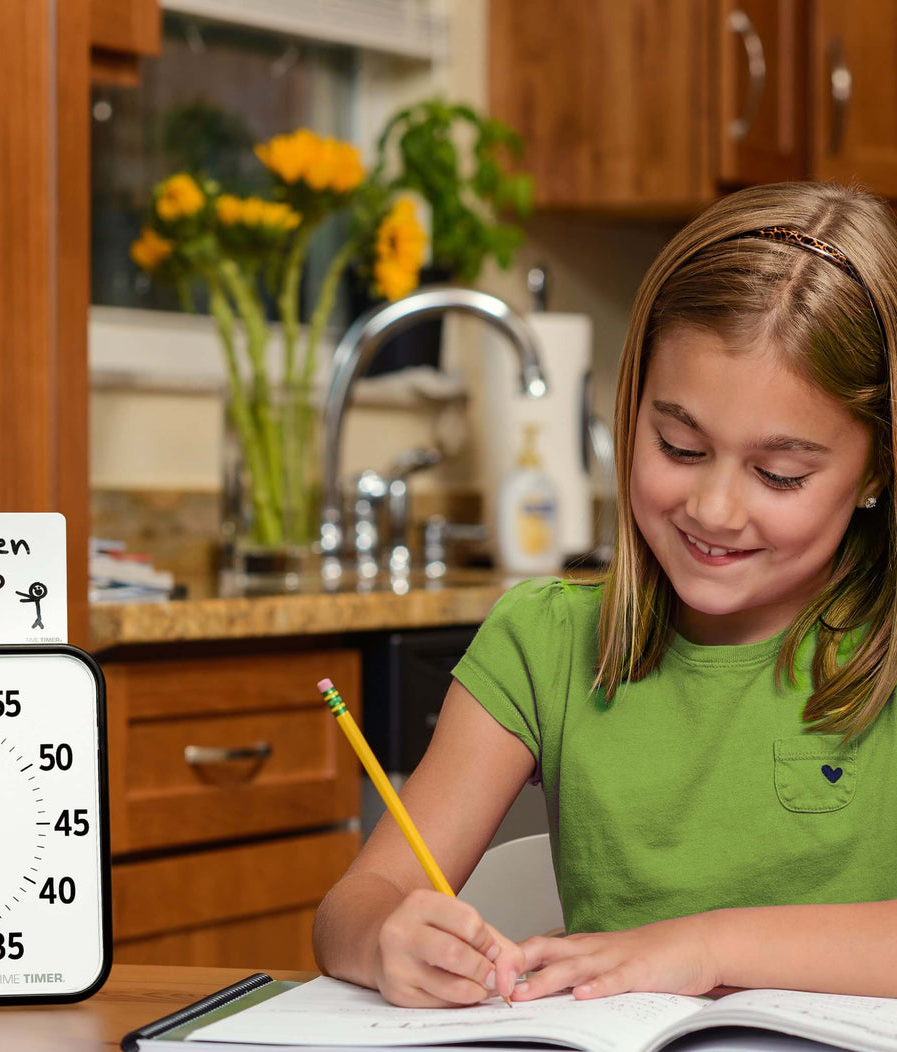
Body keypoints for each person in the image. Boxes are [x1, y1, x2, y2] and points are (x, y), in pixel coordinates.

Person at [313, 181, 897, 1008]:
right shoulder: (543, 641)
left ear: (876, 467)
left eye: (780, 474)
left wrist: (702, 948)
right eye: (679, 445)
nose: (715, 510)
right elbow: (353, 907)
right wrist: (385, 941)